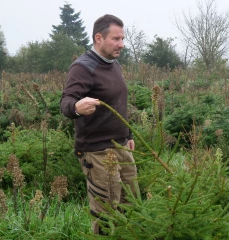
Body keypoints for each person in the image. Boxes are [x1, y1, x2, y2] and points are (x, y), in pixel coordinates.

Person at [60, 14, 138, 235]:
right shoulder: (83, 67)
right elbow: (65, 101)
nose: (121, 44)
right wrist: (77, 107)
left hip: (122, 146)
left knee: (131, 205)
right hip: (97, 152)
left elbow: (118, 104)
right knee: (106, 212)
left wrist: (128, 134)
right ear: (98, 38)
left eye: (122, 38)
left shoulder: (115, 65)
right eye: (115, 39)